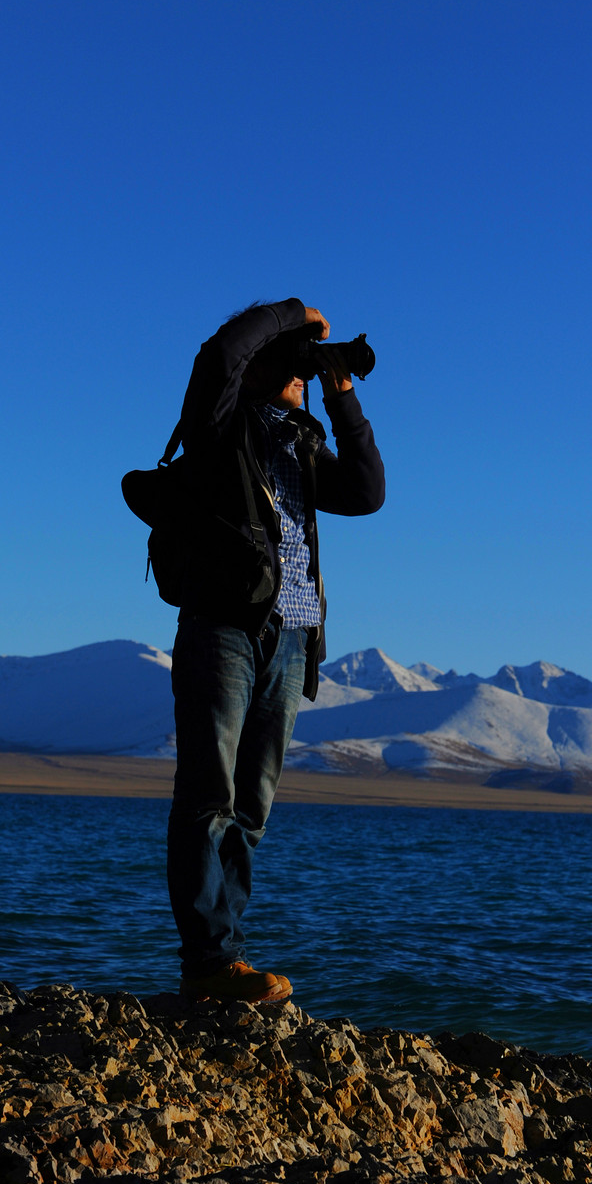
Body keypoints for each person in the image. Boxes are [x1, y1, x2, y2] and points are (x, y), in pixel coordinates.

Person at [166, 299, 385, 1004]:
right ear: (262, 362)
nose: (300, 372)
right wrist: (290, 316)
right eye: (289, 362)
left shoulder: (301, 440)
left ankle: (224, 960)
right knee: (210, 793)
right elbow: (218, 355)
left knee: (250, 809)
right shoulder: (218, 424)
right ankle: (209, 961)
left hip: (291, 636)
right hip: (224, 626)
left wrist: (340, 391)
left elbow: (369, 490)